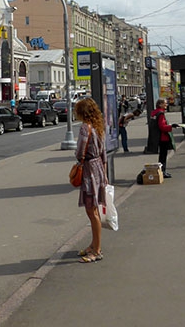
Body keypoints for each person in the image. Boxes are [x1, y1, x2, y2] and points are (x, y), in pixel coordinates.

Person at [75, 97, 107, 263]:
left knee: (91, 211)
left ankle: (97, 250)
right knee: (94, 210)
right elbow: (104, 153)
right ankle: (93, 245)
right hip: (99, 168)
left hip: (89, 171)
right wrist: (105, 174)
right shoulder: (98, 127)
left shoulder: (84, 128)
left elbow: (79, 151)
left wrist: (78, 160)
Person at [151, 98, 174, 178]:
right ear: (160, 104)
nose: (166, 105)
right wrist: (171, 126)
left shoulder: (154, 113)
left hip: (157, 137)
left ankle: (162, 171)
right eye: (165, 103)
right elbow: (162, 127)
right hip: (163, 137)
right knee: (163, 156)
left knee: (162, 155)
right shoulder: (161, 114)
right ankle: (162, 171)